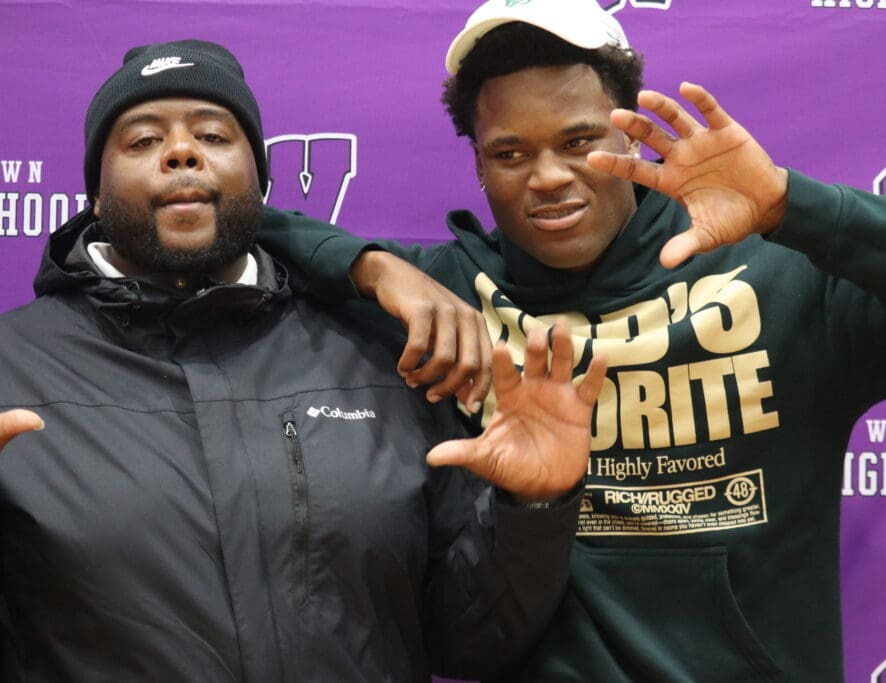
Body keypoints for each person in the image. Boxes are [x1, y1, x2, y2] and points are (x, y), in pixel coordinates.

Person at [257, 1, 886, 680]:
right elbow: (232, 223)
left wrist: (792, 205)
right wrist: (372, 265)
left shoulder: (774, 276)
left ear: (632, 134)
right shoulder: (450, 299)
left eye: (579, 140)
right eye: (511, 153)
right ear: (479, 167)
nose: (548, 176)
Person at [0, 39, 611, 682]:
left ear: (261, 182)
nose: (181, 152)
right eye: (143, 140)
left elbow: (466, 641)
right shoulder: (12, 368)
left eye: (212, 135)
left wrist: (532, 509)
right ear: (95, 196)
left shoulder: (382, 353)